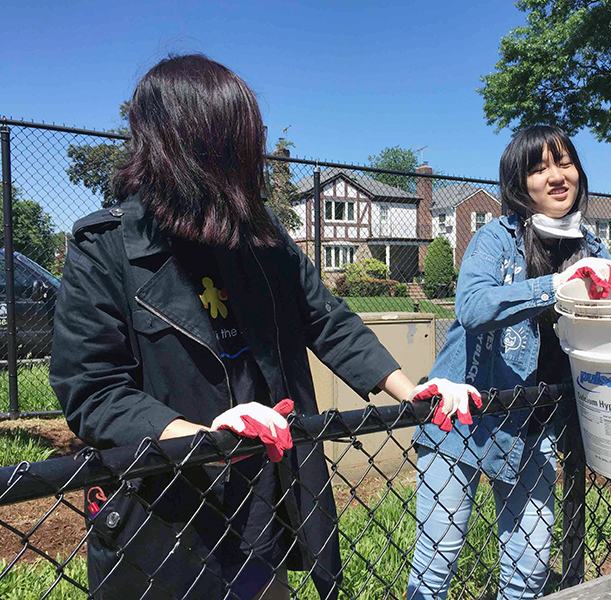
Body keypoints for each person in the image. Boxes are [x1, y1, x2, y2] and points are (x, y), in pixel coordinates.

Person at [50, 54, 433, 600]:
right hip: (171, 508)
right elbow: (93, 390)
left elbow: (326, 318)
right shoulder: (105, 249)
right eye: (237, 142)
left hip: (266, 496)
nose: (252, 157)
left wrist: (412, 392)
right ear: (186, 147)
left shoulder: (262, 237)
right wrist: (203, 440)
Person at [406, 125, 611, 600]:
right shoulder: (495, 239)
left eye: (564, 163)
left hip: (534, 425)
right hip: (461, 417)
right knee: (436, 564)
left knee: (529, 569)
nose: (556, 176)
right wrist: (557, 286)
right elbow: (473, 307)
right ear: (519, 183)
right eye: (539, 168)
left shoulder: (595, 249)